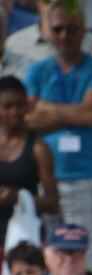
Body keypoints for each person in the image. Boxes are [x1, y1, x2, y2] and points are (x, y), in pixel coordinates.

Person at [24, 2, 92, 260]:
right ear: (47, 31)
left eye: (71, 29)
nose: (64, 36)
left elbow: (91, 115)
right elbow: (28, 119)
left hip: (86, 176)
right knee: (49, 253)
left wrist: (48, 110)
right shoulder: (38, 70)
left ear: (83, 31)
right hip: (46, 177)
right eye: (58, 29)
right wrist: (75, 113)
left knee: (86, 251)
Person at [0, 74, 56, 250]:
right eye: (7, 106)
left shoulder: (38, 148)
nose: (15, 112)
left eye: (20, 106)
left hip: (23, 242)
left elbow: (52, 203)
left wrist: (18, 197)